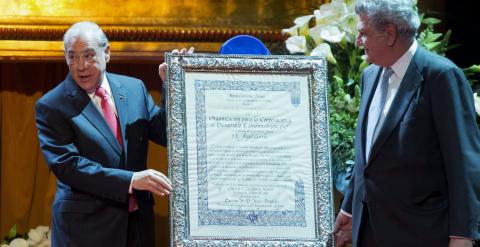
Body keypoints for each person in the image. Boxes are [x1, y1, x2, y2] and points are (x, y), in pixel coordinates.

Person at [333, 0, 480, 246]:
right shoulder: (370, 75)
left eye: (364, 33)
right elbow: (367, 158)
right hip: (368, 230)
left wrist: (463, 234)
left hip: (419, 233)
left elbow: (464, 162)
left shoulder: (441, 76)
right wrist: (349, 209)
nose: (359, 42)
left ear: (389, 34)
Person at [35, 21, 192, 247]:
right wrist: (131, 180)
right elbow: (68, 166)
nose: (81, 66)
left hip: (137, 224)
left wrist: (174, 84)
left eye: (88, 55)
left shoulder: (134, 88)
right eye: (73, 57)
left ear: (106, 52)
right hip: (86, 229)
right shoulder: (52, 105)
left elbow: (169, 135)